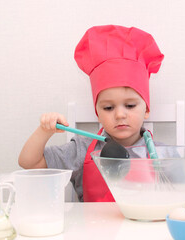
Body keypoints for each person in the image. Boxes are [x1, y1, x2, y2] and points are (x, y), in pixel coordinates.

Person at [18, 25, 164, 202]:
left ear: (147, 109)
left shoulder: (163, 154)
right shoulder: (81, 149)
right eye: (108, 108)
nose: (119, 114)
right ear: (97, 112)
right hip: (92, 229)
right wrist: (44, 130)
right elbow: (29, 163)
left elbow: (178, 196)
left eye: (130, 105)